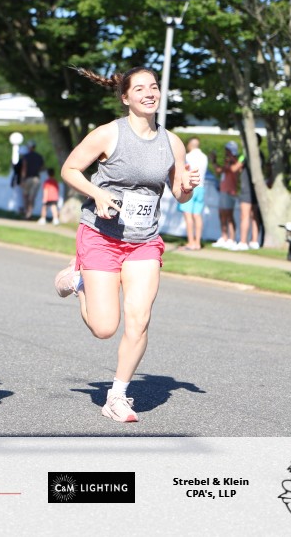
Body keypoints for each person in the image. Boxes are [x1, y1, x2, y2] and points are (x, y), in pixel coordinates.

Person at [54, 66, 199, 423]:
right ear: (125, 97)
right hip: (101, 236)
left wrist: (188, 186)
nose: (149, 93)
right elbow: (70, 170)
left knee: (139, 318)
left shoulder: (172, 142)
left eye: (154, 87)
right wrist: (97, 193)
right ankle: (79, 281)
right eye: (140, 89)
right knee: (104, 328)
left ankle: (117, 395)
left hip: (144, 241)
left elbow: (179, 194)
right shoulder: (108, 134)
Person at [177, 137, 208, 249]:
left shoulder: (188, 157)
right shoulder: (204, 157)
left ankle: (191, 242)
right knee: (197, 216)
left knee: (188, 216)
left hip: (190, 187)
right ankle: (197, 243)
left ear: (190, 145)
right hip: (201, 187)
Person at [232, 142, 261, 251]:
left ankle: (243, 241)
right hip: (256, 190)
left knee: (245, 216)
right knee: (254, 216)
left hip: (246, 190)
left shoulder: (246, 155)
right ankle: (254, 241)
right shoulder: (260, 155)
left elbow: (235, 168)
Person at [212, 141, 239, 249]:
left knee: (229, 215)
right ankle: (224, 237)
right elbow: (219, 171)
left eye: (227, 150)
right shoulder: (228, 161)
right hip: (224, 191)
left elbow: (231, 170)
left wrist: (227, 161)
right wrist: (214, 161)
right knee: (222, 214)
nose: (225, 152)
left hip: (229, 191)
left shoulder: (235, 161)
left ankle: (232, 239)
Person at [18, 140, 45, 219]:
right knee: (31, 197)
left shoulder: (26, 157)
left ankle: (27, 212)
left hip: (28, 179)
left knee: (26, 196)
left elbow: (24, 168)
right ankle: (29, 213)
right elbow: (43, 168)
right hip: (36, 179)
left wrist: (22, 179)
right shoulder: (39, 157)